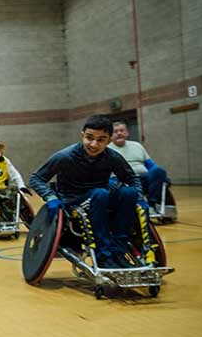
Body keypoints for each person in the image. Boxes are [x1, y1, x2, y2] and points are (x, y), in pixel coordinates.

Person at [30, 114, 146, 269]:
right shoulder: (65, 156)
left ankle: (119, 251)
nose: (93, 144)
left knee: (128, 193)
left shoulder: (112, 157)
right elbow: (36, 178)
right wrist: (50, 197)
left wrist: (139, 197)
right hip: (74, 200)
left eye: (101, 140)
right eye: (89, 138)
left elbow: (132, 178)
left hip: (100, 197)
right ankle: (103, 256)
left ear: (108, 141)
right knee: (100, 193)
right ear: (82, 135)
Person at [109, 121, 169, 210]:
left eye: (122, 130)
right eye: (115, 131)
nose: (119, 133)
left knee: (159, 172)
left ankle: (152, 203)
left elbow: (151, 165)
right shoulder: (107, 149)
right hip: (122, 180)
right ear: (110, 135)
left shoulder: (137, 146)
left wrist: (161, 176)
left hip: (143, 179)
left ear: (127, 133)